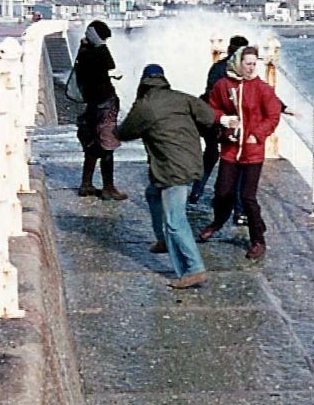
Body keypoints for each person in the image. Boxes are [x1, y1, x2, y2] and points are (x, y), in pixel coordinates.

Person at [117, 63, 236, 289]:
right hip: (190, 160)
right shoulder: (182, 98)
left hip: (172, 168)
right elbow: (209, 116)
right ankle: (162, 240)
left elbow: (125, 132)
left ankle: (194, 269)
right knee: (153, 193)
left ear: (143, 82)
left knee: (175, 220)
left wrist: (110, 130)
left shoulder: (145, 105)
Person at [199, 46, 282, 260]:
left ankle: (257, 240)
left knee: (247, 197)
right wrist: (223, 120)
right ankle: (217, 222)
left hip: (253, 150)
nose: (251, 68)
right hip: (230, 147)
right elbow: (212, 107)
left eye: (255, 64)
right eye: (248, 63)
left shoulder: (262, 88)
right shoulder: (223, 85)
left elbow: (272, 115)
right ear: (238, 63)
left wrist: (259, 134)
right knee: (223, 192)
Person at [188, 33, 249, 223]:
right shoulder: (239, 71)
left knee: (212, 153)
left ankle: (196, 192)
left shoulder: (217, 67)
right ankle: (238, 209)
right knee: (236, 161)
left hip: (210, 117)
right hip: (224, 120)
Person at [73, 20, 128, 201]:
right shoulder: (99, 51)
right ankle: (108, 188)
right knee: (107, 145)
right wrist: (101, 45)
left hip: (91, 104)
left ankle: (86, 184)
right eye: (103, 38)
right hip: (105, 103)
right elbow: (110, 65)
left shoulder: (83, 52)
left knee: (92, 143)